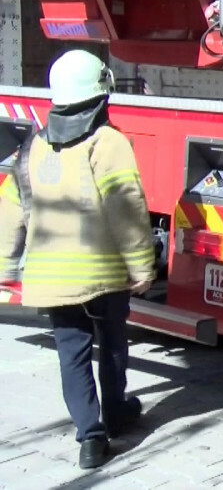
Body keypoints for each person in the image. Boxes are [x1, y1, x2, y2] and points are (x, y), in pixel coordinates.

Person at [0, 50, 155, 469]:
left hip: (52, 278)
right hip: (103, 273)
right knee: (113, 346)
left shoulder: (32, 145)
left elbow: (11, 206)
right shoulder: (108, 142)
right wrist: (142, 265)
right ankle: (117, 413)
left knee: (72, 355)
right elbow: (126, 207)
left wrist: (4, 266)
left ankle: (90, 439)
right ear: (102, 95)